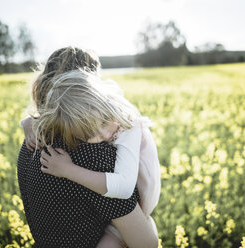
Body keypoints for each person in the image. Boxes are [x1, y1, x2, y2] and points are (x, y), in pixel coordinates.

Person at [19, 46, 158, 247]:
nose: (97, 136)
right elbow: (146, 243)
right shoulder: (93, 157)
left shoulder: (31, 144)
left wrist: (27, 122)